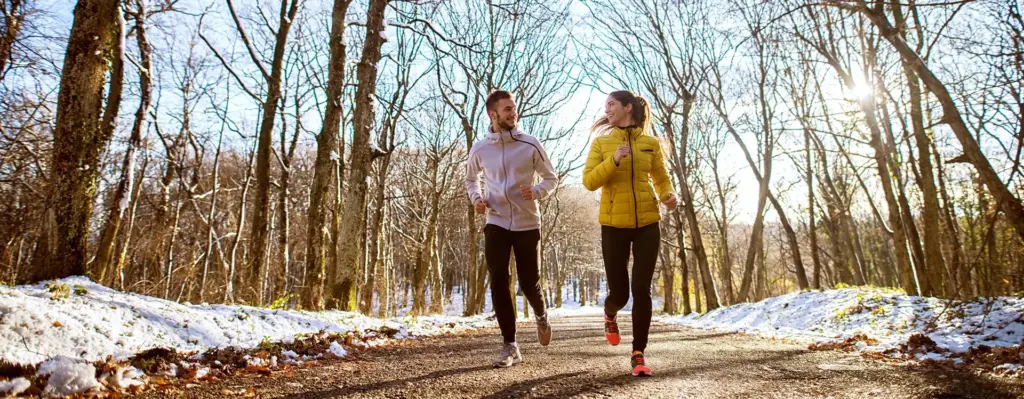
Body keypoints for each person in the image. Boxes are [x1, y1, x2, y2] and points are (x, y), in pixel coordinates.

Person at [582, 90, 677, 377]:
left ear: (627, 108)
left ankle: (639, 353)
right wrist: (613, 161)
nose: (607, 110)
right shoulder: (601, 143)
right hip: (613, 225)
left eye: (611, 104)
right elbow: (588, 182)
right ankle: (610, 313)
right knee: (621, 293)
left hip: (647, 221)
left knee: (641, 289)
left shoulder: (650, 143)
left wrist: (668, 195)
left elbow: (661, 177)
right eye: (606, 106)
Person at [466, 90, 558, 368]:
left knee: (529, 283)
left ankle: (541, 314)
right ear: (492, 115)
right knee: (499, 279)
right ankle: (510, 345)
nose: (513, 113)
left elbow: (551, 178)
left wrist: (537, 191)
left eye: (514, 108)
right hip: (495, 221)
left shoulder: (530, 144)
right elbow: (471, 180)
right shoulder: (480, 148)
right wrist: (477, 199)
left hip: (527, 222)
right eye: (507, 109)